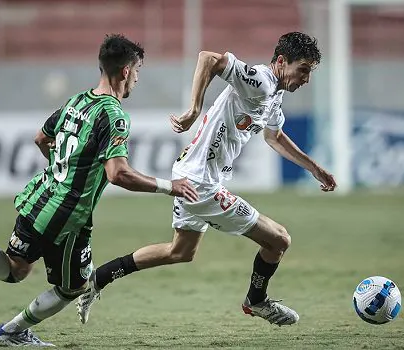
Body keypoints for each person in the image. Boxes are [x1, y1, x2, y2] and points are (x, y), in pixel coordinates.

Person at [0, 33, 198, 347]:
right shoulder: (114, 116)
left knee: (16, 269)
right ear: (126, 72)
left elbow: (41, 138)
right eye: (139, 72)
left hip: (39, 198)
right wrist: (168, 187)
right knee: (74, 287)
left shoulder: (77, 100)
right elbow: (119, 174)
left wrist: (63, 169)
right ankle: (12, 331)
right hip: (68, 216)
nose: (137, 80)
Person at [77, 32, 337, 327]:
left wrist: (314, 168)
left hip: (190, 175)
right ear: (281, 61)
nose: (306, 78)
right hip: (201, 184)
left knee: (180, 251)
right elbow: (208, 58)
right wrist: (194, 109)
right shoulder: (260, 81)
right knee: (279, 240)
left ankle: (97, 279)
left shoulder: (273, 96)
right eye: (303, 69)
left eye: (310, 72)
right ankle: (256, 300)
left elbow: (274, 137)